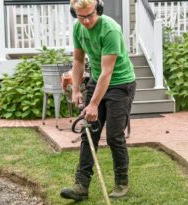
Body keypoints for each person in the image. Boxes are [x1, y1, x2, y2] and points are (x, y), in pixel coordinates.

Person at [60, 0, 136, 201]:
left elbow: (107, 72)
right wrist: (76, 90)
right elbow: (78, 61)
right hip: (97, 79)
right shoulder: (79, 27)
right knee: (89, 131)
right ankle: (81, 185)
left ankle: (121, 182)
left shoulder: (110, 29)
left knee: (113, 136)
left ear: (99, 10)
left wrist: (94, 104)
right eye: (80, 16)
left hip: (120, 83)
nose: (85, 21)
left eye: (89, 15)